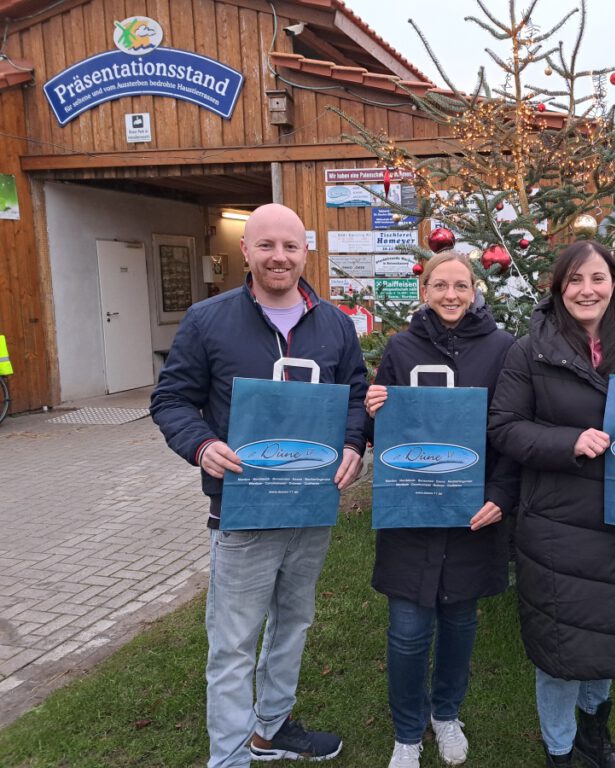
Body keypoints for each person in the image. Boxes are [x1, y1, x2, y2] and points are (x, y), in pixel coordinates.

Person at [150, 203, 369, 768]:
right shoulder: (208, 319)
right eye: (266, 245)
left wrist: (352, 447)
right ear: (245, 251)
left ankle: (271, 728)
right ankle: (228, 757)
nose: (279, 257)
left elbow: (353, 397)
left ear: (305, 251)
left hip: (311, 507)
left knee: (293, 624)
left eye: (290, 247)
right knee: (232, 645)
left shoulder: (335, 325)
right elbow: (171, 400)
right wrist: (202, 445)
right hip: (241, 513)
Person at [488, 241, 615, 768]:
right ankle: (560, 750)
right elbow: (505, 427)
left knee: (610, 634)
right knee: (561, 649)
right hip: (557, 521)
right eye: (574, 280)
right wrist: (568, 442)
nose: (586, 290)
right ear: (558, 287)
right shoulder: (530, 350)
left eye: (597, 278)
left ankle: (596, 738)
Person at [364, 250, 517, 768]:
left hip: (473, 513)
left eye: (461, 286)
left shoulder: (502, 349)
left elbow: (511, 430)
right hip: (412, 511)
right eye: (440, 285)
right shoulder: (401, 348)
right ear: (424, 291)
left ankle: (446, 714)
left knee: (459, 623)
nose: (451, 295)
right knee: (407, 631)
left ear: (476, 291)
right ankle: (407, 732)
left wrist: (501, 493)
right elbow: (377, 435)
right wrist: (374, 410)